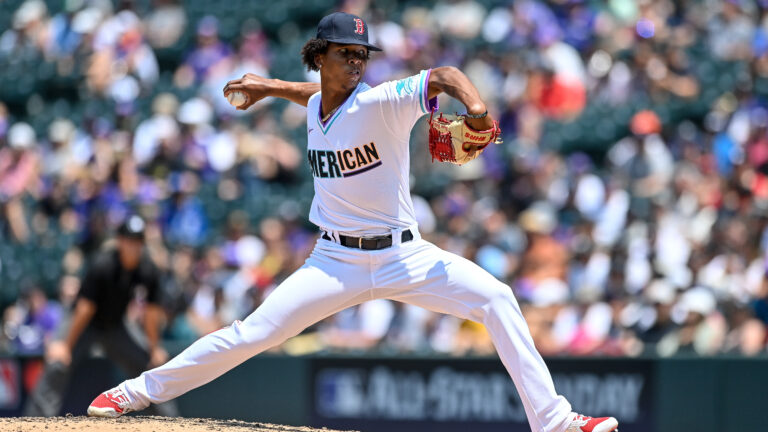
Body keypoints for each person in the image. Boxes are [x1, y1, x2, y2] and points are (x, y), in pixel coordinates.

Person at [87, 12, 618, 432]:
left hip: (404, 256)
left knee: (497, 297)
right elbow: (315, 96)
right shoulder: (322, 100)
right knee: (248, 334)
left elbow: (446, 76)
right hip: (333, 261)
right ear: (319, 57)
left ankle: (554, 422)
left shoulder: (384, 102)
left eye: (363, 54)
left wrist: (476, 111)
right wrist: (269, 86)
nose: (358, 62)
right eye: (346, 54)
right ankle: (133, 393)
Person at [25, 215, 177, 417]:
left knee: (151, 364)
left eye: (137, 241)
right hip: (84, 323)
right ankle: (34, 423)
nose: (133, 246)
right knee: (58, 363)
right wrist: (65, 344)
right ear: (120, 241)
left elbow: (151, 313)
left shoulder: (147, 270)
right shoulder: (102, 264)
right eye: (129, 240)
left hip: (116, 326)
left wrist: (155, 347)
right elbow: (84, 309)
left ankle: (172, 422)